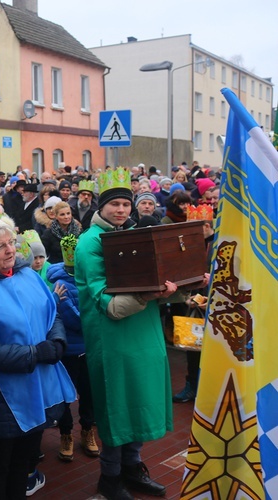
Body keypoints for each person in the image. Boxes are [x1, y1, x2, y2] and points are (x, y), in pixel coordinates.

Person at [74, 167, 202, 499]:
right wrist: (151, 294)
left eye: (125, 205)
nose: (121, 211)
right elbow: (110, 306)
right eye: (114, 205)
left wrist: (185, 284)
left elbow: (160, 283)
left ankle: (132, 468)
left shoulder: (136, 234)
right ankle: (110, 478)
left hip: (144, 335)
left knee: (141, 401)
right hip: (113, 338)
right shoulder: (90, 243)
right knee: (118, 408)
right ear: (101, 207)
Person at [0, 217, 75, 499]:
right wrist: (35, 353)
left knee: (24, 459)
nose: (9, 251)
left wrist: (56, 340)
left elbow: (50, 310)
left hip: (36, 386)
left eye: (11, 243)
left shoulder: (27, 275)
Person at [45, 236, 99, 462]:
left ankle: (88, 430)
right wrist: (98, 319)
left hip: (89, 348)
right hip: (69, 351)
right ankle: (66, 434)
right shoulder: (61, 284)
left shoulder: (91, 278)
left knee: (89, 393)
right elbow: (75, 319)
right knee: (66, 395)